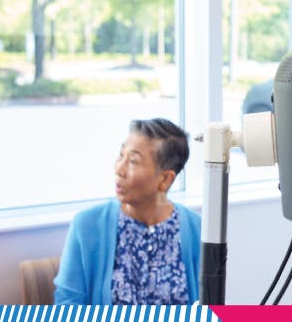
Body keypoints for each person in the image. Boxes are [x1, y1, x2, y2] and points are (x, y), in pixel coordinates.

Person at [54, 118, 200, 305]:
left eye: (133, 161)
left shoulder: (197, 230)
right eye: (121, 155)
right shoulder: (87, 225)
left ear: (165, 179)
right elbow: (67, 304)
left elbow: (207, 305)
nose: (119, 169)